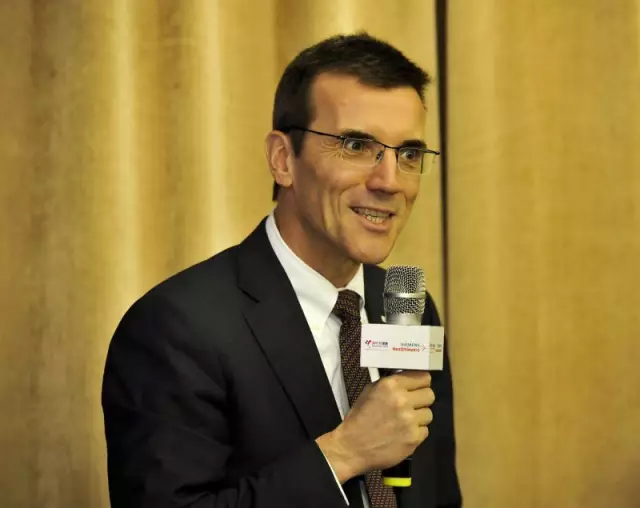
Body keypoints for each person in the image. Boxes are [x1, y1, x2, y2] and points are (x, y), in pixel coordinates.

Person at [102, 32, 461, 508]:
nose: (389, 181)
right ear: (282, 160)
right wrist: (343, 454)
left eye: (409, 154)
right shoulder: (177, 329)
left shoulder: (409, 309)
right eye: (356, 145)